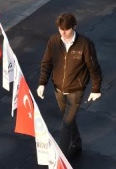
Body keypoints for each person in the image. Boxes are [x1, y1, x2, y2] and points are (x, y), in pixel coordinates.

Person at [37, 12, 102, 157]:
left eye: (66, 29)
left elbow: (94, 68)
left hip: (76, 91)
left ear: (74, 27)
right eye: (61, 29)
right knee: (69, 120)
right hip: (58, 89)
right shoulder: (54, 41)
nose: (63, 33)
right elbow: (46, 63)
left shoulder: (85, 44)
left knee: (66, 124)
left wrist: (96, 89)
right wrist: (42, 83)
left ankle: (60, 157)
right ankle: (76, 143)